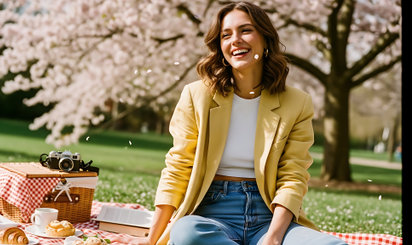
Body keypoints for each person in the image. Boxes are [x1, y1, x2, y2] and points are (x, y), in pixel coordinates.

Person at [113, 1, 347, 245]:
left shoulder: (297, 102)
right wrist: (152, 240)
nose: (235, 40)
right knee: (187, 233)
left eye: (246, 30)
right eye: (226, 35)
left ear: (265, 39)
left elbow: (293, 177)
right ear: (220, 46)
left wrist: (274, 239)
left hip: (270, 215)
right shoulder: (197, 96)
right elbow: (178, 167)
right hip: (212, 213)